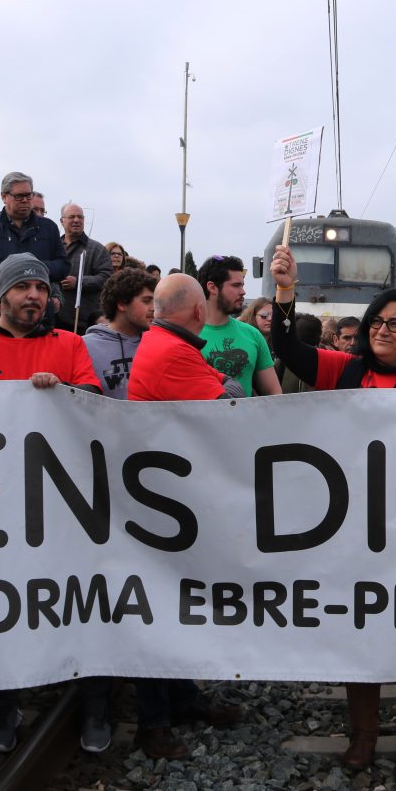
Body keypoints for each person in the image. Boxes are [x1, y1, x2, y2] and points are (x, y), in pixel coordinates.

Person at [269, 244, 396, 782]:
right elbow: (285, 343)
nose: (382, 330)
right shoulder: (344, 370)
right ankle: (365, 736)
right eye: (378, 321)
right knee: (363, 628)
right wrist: (285, 290)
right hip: (359, 529)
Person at [0, 252, 103, 753]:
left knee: (82, 601)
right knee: (0, 605)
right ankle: (3, 707)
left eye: (41, 287)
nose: (34, 295)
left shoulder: (71, 345)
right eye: (23, 287)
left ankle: (93, 705)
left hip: (62, 503)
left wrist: (66, 392)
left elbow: (95, 406)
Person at [125, 273, 244, 758]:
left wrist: (219, 379)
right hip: (163, 501)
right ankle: (154, 723)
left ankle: (179, 700)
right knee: (158, 609)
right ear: (197, 311)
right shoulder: (173, 353)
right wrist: (224, 382)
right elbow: (229, 403)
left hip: (168, 494)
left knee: (172, 603)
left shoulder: (163, 343)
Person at [0, 171, 68, 315]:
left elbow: (63, 265)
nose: (25, 200)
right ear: (4, 196)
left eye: (29, 195)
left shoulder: (49, 228)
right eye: (19, 196)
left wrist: (35, 268)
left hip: (39, 313)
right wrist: (14, 269)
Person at [196, 255, 280, 396]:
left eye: (242, 285)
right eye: (236, 285)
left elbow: (274, 392)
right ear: (212, 287)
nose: (243, 292)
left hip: (245, 417)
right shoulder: (187, 335)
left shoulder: (252, 335)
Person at [83, 268, 155, 399]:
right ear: (122, 304)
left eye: (155, 301)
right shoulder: (84, 346)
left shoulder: (157, 345)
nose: (153, 308)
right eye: (146, 301)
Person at [57, 202, 112, 333]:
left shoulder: (96, 249)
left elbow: (107, 278)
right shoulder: (54, 248)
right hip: (55, 319)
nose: (76, 220)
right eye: (72, 217)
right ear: (62, 221)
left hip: (83, 322)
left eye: (80, 217)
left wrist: (78, 282)